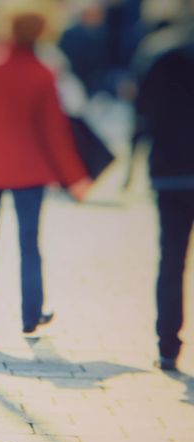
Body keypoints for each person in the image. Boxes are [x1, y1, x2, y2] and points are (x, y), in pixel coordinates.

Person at [0, 3, 90, 345]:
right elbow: (55, 132)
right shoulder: (43, 72)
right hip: (30, 169)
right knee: (29, 244)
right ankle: (30, 315)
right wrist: (75, 178)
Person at [132, 10, 194, 371]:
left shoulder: (158, 51)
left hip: (170, 171)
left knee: (171, 260)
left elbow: (142, 109)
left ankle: (168, 344)